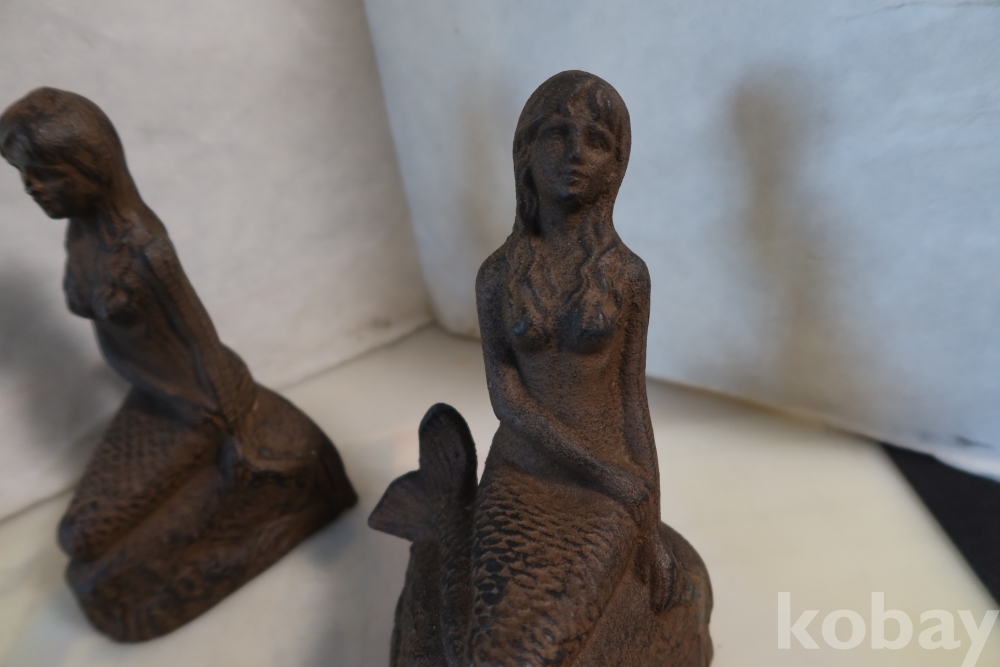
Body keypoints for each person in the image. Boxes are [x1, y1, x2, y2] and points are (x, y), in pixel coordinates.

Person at [372, 71, 712, 666]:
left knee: (537, 652)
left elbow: (632, 403)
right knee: (496, 652)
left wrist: (647, 519)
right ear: (525, 151)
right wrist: (613, 477)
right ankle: (447, 526)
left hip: (601, 493)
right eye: (557, 134)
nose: (576, 153)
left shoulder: (626, 276)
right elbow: (508, 400)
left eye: (598, 140)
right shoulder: (498, 275)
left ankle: (446, 523)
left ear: (617, 164)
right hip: (524, 476)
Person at [0, 88, 356, 642]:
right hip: (150, 401)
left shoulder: (145, 251)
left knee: (99, 572)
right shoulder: (80, 234)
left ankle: (283, 506)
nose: (32, 188)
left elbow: (200, 341)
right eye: (24, 175)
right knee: (76, 537)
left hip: (199, 407)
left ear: (93, 169)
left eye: (47, 174)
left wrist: (239, 434)